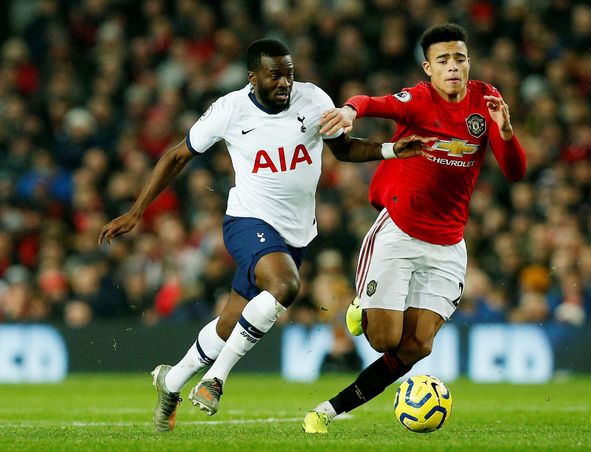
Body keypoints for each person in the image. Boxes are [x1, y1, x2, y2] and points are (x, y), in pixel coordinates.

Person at [98, 38, 433, 432]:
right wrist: (137, 211)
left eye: (289, 74)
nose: (284, 82)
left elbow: (342, 150)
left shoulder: (314, 100)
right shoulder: (229, 110)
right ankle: (215, 381)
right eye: (275, 74)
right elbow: (177, 155)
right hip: (247, 221)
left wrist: (392, 150)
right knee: (285, 285)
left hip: (296, 234)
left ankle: (169, 382)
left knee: (229, 324)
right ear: (252, 76)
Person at [302, 23, 527, 433]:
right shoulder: (418, 101)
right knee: (385, 340)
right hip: (399, 232)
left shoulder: (486, 100)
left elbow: (515, 171)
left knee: (416, 346)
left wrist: (507, 133)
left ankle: (329, 410)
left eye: (460, 58)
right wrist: (350, 111)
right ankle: (362, 308)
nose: (453, 67)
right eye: (443, 60)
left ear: (468, 62)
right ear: (428, 67)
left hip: (448, 243)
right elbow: (371, 102)